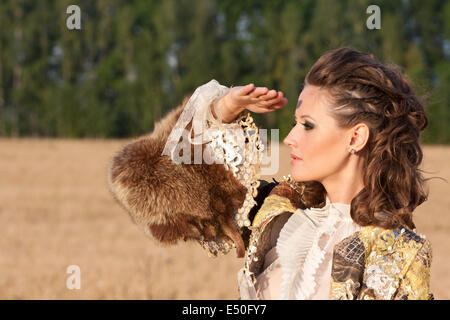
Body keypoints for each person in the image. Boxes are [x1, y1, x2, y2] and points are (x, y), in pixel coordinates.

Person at [108, 47, 433, 300]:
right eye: (295, 122)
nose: (290, 137)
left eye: (307, 125)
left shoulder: (398, 254)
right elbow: (138, 182)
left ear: (356, 137)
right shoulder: (275, 211)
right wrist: (216, 113)